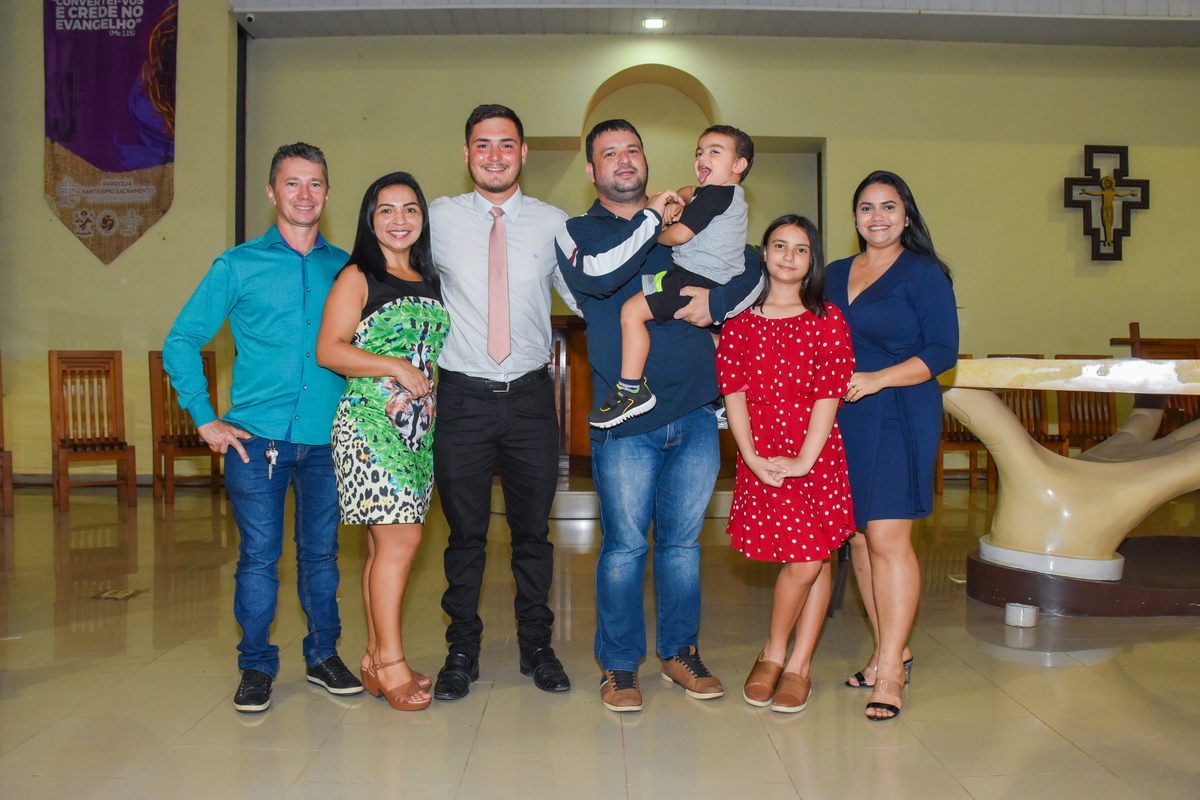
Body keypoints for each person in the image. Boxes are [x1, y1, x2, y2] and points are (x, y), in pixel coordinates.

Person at [555, 119, 763, 712]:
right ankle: (620, 666)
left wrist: (717, 303)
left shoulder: (690, 218)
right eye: (609, 153)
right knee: (625, 548)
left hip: (695, 411)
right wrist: (653, 217)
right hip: (626, 422)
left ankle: (679, 653)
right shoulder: (580, 232)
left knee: (682, 547)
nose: (624, 159)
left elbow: (751, 263)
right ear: (592, 170)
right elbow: (602, 276)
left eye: (633, 149)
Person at [164, 142, 362, 713]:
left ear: (328, 193)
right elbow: (181, 340)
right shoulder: (237, 265)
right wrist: (204, 418)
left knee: (322, 556)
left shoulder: (348, 268)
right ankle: (255, 666)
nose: (305, 194)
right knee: (258, 558)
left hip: (328, 441)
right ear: (272, 192)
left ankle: (323, 657)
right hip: (256, 442)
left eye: (315, 183)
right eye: (292, 183)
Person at [428, 104, 576, 700]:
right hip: (461, 399)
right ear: (466, 153)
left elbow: (586, 295)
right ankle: (461, 649)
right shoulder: (437, 218)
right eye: (483, 145)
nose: (495, 156)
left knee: (532, 533)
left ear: (523, 153)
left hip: (531, 400)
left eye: (506, 144)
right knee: (464, 535)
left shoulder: (553, 223)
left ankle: (536, 645)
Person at [825, 171, 958, 720]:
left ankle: (889, 675)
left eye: (887, 206)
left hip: (899, 407)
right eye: (866, 207)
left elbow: (943, 350)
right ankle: (891, 651)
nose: (876, 217)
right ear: (855, 217)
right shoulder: (834, 273)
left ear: (906, 215)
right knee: (858, 538)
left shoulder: (924, 273)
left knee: (887, 537)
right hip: (843, 416)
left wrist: (878, 379)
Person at [315, 172, 449, 712]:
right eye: (386, 209)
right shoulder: (358, 275)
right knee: (402, 542)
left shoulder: (428, 277)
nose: (399, 219)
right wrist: (392, 365)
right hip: (370, 427)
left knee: (383, 546)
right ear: (370, 220)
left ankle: (374, 658)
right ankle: (391, 661)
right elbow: (329, 349)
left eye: (410, 208)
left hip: (418, 433)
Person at [718, 215, 855, 714]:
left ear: (812, 260)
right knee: (808, 557)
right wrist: (751, 457)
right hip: (763, 453)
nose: (789, 256)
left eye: (801, 249)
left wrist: (803, 460)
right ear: (765, 253)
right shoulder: (739, 322)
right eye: (780, 245)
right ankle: (785, 658)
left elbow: (829, 395)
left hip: (815, 453)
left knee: (812, 557)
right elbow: (733, 395)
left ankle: (787, 658)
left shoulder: (827, 318)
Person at [587, 125, 753, 429]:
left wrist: (658, 230)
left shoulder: (717, 195)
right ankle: (732, 397)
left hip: (695, 277)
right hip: (714, 280)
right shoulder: (725, 195)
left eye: (715, 152)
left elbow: (680, 235)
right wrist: (679, 200)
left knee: (632, 312)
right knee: (715, 338)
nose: (703, 157)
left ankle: (630, 390)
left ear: (739, 165)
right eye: (699, 152)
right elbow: (691, 191)